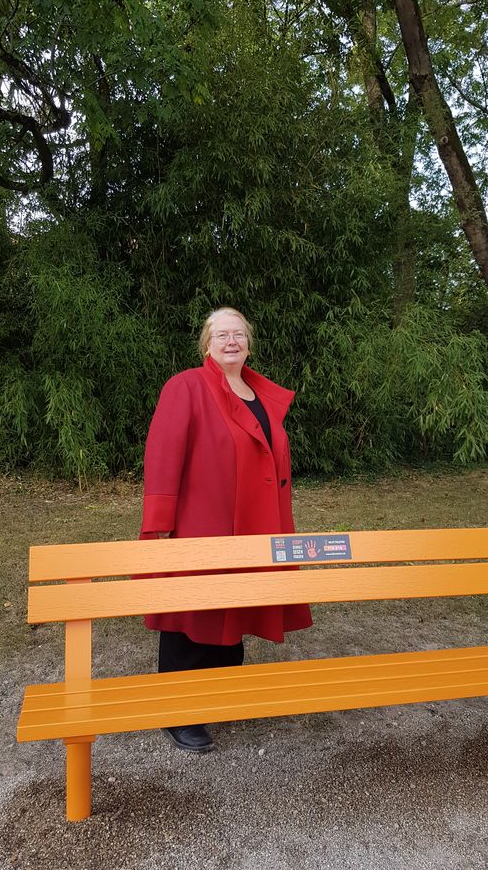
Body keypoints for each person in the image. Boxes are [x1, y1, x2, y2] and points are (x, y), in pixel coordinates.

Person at [138, 307, 312, 752]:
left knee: (235, 615)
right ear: (207, 343)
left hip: (256, 524)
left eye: (238, 334)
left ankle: (214, 698)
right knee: (193, 616)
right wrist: (158, 524)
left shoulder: (257, 392)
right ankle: (177, 710)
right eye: (222, 334)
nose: (231, 341)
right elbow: (163, 454)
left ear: (248, 342)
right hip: (204, 525)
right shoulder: (186, 387)